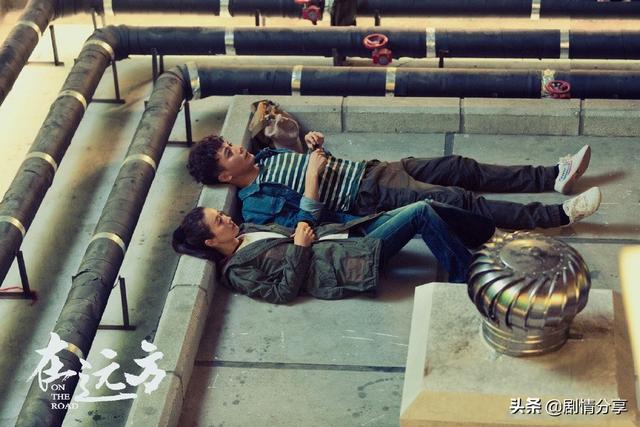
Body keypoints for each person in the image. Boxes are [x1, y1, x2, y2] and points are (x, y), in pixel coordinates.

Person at [186, 132, 601, 232]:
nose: (237, 149)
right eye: (229, 153)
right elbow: (307, 225)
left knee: (460, 166)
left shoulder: (267, 156)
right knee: (460, 200)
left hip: (375, 168)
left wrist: (314, 145)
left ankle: (553, 176)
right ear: (225, 176)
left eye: (230, 145)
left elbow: (313, 158)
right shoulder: (255, 204)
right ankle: (557, 215)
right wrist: (312, 175)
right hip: (369, 194)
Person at [172, 201, 494, 304]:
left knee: (427, 205)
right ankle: (470, 277)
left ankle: (487, 234)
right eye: (219, 221)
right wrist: (300, 248)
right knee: (421, 213)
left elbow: (293, 231)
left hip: (345, 235)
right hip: (348, 260)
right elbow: (281, 293)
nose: (227, 218)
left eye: (221, 214)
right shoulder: (235, 271)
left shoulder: (246, 229)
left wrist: (303, 228)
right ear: (210, 242)